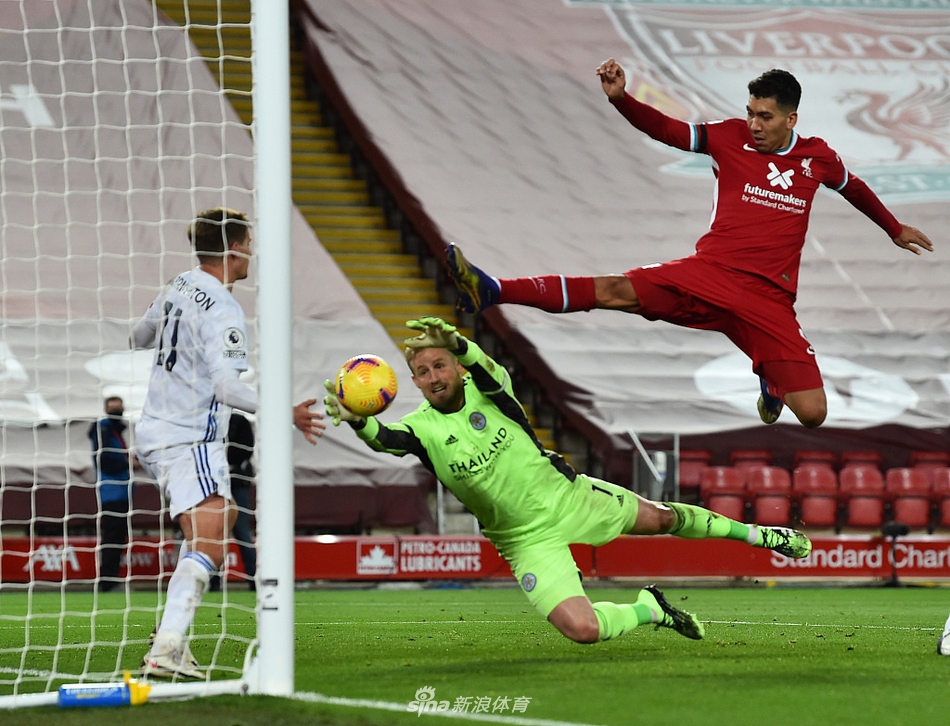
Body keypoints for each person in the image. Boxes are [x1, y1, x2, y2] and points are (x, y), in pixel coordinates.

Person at [446, 59, 933, 429]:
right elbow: (668, 130)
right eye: (750, 113)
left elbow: (854, 186)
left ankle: (769, 377)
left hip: (768, 299)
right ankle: (492, 289)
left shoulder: (817, 157)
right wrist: (622, 99)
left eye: (764, 116)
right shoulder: (727, 138)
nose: (754, 124)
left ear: (791, 119)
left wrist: (894, 229)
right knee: (616, 290)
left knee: (813, 414)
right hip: (710, 274)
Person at [324, 316, 813, 645]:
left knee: (663, 517)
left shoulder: (491, 393)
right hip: (523, 540)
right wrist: (357, 419)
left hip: (570, 497)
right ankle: (651, 610)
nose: (433, 376)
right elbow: (386, 439)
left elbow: (489, 371)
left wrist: (464, 346)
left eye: (440, 364)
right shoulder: (420, 430)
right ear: (410, 383)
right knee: (582, 630)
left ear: (455, 366)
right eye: (422, 371)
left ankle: (762, 535)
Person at [132, 207, 325, 679]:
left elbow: (138, 336)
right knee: (214, 542)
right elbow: (227, 388)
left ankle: (169, 639)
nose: (252, 254)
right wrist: (287, 412)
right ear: (236, 249)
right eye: (249, 245)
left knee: (219, 522)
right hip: (191, 435)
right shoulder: (223, 306)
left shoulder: (179, 284)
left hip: (157, 429)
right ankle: (168, 646)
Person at [88, 395, 137, 592]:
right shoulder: (104, 430)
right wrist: (127, 462)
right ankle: (107, 581)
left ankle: (111, 579)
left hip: (121, 492)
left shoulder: (114, 431)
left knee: (117, 536)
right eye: (114, 408)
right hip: (112, 492)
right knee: (112, 536)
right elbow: (104, 459)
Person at [209, 411, 257, 591]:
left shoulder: (238, 420)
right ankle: (214, 580)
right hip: (213, 483)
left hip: (236, 483)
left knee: (241, 532)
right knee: (214, 532)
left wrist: (225, 462)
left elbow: (246, 449)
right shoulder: (208, 418)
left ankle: (253, 577)